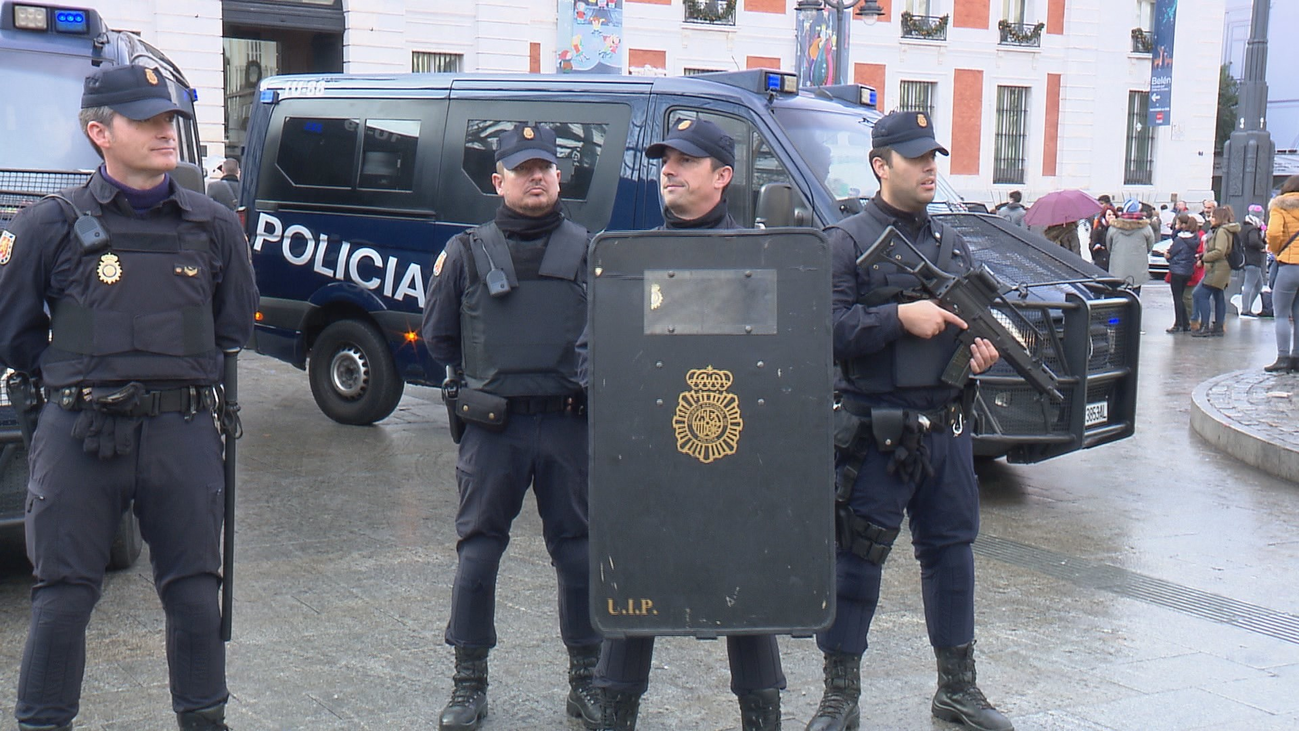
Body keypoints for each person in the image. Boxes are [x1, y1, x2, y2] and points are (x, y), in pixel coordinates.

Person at [0, 64, 257, 731]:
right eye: (145, 120)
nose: (164, 131)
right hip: (80, 433)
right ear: (99, 133)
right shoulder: (48, 226)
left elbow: (231, 326)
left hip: (182, 430)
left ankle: (205, 720)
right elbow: (18, 333)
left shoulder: (214, 222)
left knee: (196, 593)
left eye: (168, 118)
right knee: (62, 596)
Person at [807, 110, 1011, 731]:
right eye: (917, 157)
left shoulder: (953, 243)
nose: (930, 167)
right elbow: (826, 332)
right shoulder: (844, 241)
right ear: (880, 165)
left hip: (945, 429)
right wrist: (900, 319)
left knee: (952, 556)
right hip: (874, 431)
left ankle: (957, 687)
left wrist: (979, 355)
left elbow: (970, 331)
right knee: (856, 562)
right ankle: (840, 696)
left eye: (934, 157)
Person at [585, 118, 786, 731]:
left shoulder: (759, 260)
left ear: (722, 177)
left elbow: (779, 368)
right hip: (650, 458)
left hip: (738, 456)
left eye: (687, 161)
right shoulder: (630, 261)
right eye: (666, 159)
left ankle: (762, 717)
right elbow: (592, 354)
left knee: (746, 592)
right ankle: (614, 713)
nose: (669, 169)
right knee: (635, 581)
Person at [421, 122, 600, 731]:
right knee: (478, 556)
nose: (536, 177)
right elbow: (440, 337)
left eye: (545, 167)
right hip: (493, 430)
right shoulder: (468, 251)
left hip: (568, 427)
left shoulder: (590, 251)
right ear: (498, 181)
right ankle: (468, 685)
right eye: (523, 169)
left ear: (560, 175)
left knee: (578, 558)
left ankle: (587, 682)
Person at [1264, 175, 1299, 372]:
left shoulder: (1280, 206)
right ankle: (1297, 357)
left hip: (1289, 264)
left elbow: (1274, 233)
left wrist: (1277, 250)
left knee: (1281, 314)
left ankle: (1283, 357)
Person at [1191, 205, 1239, 338]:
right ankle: (1218, 325)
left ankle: (1205, 325)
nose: (1210, 219)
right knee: (1218, 295)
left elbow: (1220, 251)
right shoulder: (1224, 230)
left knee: (1200, 294)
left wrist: (1204, 257)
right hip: (1220, 268)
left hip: (1218, 268)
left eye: (1213, 216)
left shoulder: (1222, 231)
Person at [1105, 199, 1154, 291]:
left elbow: (1109, 246)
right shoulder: (1145, 228)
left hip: (1117, 268)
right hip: (1138, 268)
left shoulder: (1114, 228)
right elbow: (1150, 246)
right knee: (1135, 294)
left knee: (1118, 295)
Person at [1164, 213, 1199, 333]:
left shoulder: (1180, 239)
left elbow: (1171, 253)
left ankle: (1178, 324)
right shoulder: (1195, 238)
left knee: (1177, 298)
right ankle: (1185, 323)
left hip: (1177, 269)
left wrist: (1167, 255)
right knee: (1182, 297)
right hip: (1188, 270)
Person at [1239, 204, 1268, 317]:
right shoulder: (1253, 229)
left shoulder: (1244, 226)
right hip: (1253, 260)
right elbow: (1253, 241)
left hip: (1246, 259)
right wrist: (1263, 246)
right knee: (1249, 285)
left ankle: (1248, 307)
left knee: (1258, 286)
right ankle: (1245, 310)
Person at [1089, 205, 1115, 271]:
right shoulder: (1098, 229)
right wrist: (1096, 247)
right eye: (1109, 215)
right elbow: (1092, 244)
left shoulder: (1117, 230)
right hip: (1101, 260)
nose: (1111, 216)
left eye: (1113, 214)